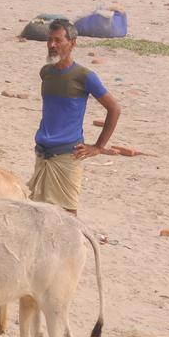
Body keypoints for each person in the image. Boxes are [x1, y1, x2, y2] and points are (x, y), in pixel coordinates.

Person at [27, 19, 121, 215]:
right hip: (42, 155)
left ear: (72, 43)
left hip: (67, 157)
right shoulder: (46, 72)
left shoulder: (84, 76)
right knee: (38, 213)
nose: (52, 45)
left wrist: (98, 147)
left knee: (68, 215)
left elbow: (114, 108)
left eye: (58, 40)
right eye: (50, 40)